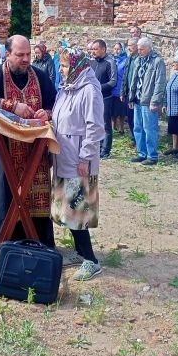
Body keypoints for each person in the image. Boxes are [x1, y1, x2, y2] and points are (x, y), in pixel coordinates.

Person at [0, 35, 57, 258]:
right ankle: (1, 246)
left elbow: (53, 100)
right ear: (7, 54)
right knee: (5, 195)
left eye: (28, 54)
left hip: (35, 153)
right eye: (20, 55)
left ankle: (37, 245)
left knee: (35, 196)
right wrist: (10, 105)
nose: (26, 59)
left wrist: (46, 112)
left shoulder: (39, 76)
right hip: (7, 150)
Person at [51, 47, 105, 281]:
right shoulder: (67, 89)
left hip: (78, 159)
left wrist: (86, 156)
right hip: (65, 156)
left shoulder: (90, 90)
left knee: (78, 209)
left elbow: (95, 127)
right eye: (61, 66)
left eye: (64, 66)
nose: (61, 71)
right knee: (69, 208)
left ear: (76, 66)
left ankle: (91, 260)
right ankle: (80, 253)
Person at [129, 37, 166, 165]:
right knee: (138, 128)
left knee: (149, 129)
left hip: (148, 101)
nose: (139, 51)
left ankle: (152, 156)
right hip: (138, 100)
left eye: (142, 49)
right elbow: (134, 79)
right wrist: (131, 97)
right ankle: (141, 153)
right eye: (138, 49)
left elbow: (159, 83)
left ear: (149, 48)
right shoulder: (138, 60)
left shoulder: (157, 61)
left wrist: (155, 101)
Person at [88, 39, 117, 159]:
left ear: (103, 49)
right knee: (94, 123)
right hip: (92, 98)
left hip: (105, 97)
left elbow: (113, 81)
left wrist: (98, 87)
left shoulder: (110, 62)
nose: (93, 52)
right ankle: (97, 148)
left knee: (105, 124)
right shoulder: (91, 62)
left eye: (95, 49)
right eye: (92, 49)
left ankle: (105, 150)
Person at [120, 38, 139, 149]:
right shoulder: (129, 59)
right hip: (128, 94)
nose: (128, 48)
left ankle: (139, 140)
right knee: (130, 118)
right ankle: (134, 138)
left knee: (137, 120)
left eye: (131, 45)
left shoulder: (140, 59)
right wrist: (123, 91)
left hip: (137, 94)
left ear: (137, 46)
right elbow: (125, 77)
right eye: (128, 45)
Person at [110, 42, 128, 136]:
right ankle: (113, 127)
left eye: (118, 49)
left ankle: (121, 127)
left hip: (121, 88)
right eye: (115, 49)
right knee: (113, 111)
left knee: (121, 111)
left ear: (122, 49)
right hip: (112, 89)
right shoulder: (112, 60)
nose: (116, 51)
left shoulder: (125, 60)